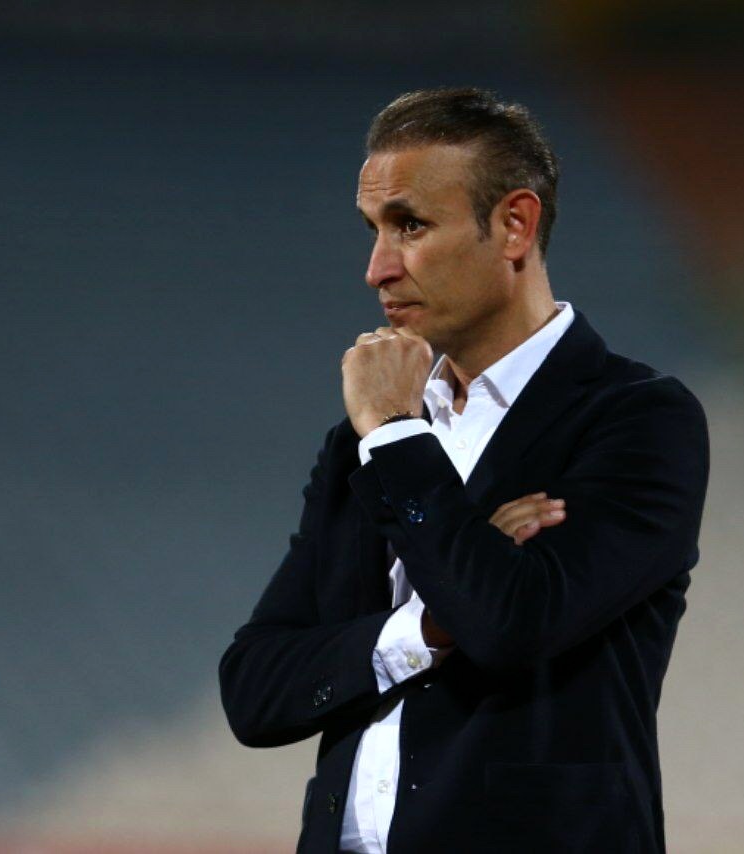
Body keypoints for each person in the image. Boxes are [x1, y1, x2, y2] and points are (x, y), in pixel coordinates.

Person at [219, 87, 709, 854]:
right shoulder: (361, 444)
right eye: (374, 230)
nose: (377, 269)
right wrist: (425, 625)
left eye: (410, 225)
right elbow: (254, 690)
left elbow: (513, 623)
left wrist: (397, 436)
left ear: (515, 224)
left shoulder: (636, 420)